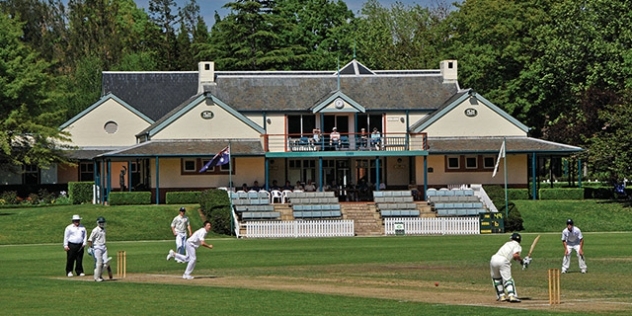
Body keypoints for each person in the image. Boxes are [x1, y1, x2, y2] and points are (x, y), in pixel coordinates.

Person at [489, 233, 529, 303]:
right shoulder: (517, 245)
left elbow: (514, 256)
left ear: (511, 238)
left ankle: (501, 296)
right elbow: (515, 255)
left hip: (493, 259)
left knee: (497, 279)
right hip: (503, 260)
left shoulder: (507, 243)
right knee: (508, 279)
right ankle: (512, 296)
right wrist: (522, 261)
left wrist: (521, 261)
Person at [87, 216, 111, 282]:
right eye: (101, 222)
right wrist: (90, 248)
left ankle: (99, 275)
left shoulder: (104, 229)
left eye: (103, 222)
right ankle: (97, 278)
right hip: (97, 247)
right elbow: (90, 240)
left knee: (106, 263)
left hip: (104, 247)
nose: (102, 224)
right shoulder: (95, 230)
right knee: (99, 263)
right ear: (98, 223)